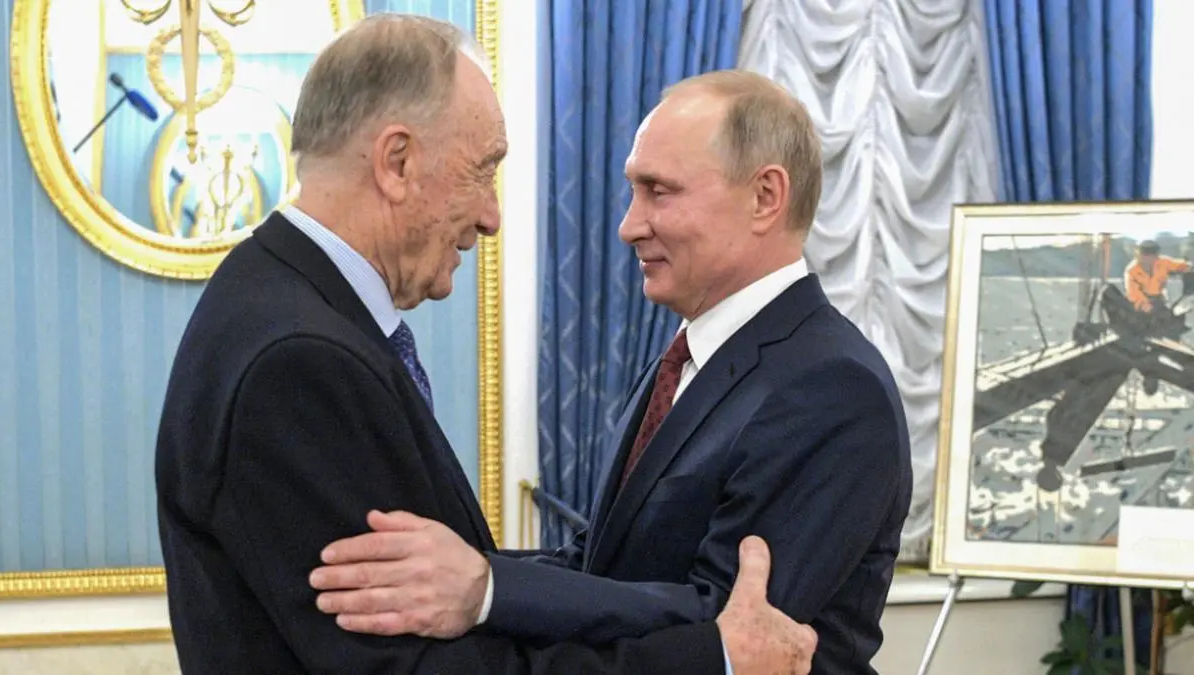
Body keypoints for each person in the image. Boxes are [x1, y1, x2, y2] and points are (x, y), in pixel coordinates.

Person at [153, 13, 817, 675]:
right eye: (482, 171)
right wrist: (714, 657)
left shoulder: (277, 301)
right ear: (396, 162)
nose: (491, 216)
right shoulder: (299, 362)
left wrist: (487, 583)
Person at [307, 69, 913, 674]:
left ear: (764, 197)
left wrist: (487, 590)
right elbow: (601, 566)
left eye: (659, 191)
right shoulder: (688, 358)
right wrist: (438, 573)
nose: (629, 226)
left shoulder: (833, 386)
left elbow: (738, 628)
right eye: (633, 191)